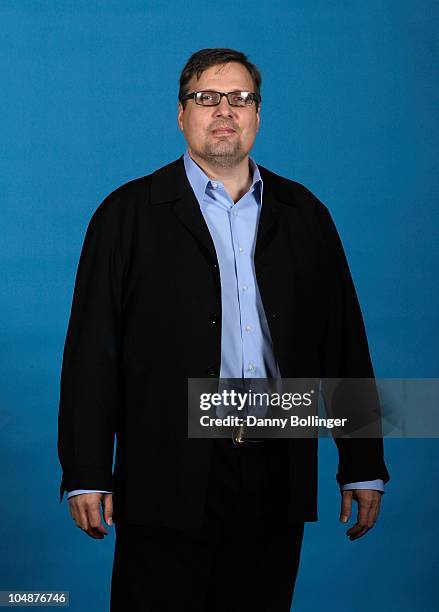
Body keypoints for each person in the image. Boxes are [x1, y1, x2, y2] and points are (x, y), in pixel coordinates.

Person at [57, 48, 390, 611]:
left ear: (258, 115)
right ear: (181, 114)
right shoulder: (128, 213)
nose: (224, 111)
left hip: (276, 463)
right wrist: (87, 472)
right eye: (206, 98)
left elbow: (344, 341)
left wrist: (363, 462)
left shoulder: (304, 213)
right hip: (167, 468)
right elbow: (92, 352)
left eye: (240, 99)